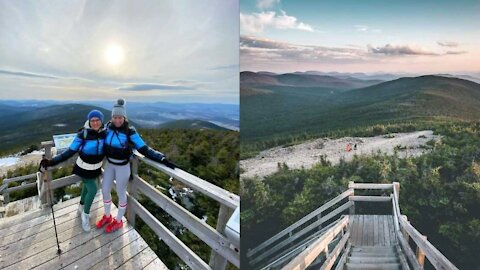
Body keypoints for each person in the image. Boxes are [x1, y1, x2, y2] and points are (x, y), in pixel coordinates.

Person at [96, 99, 175, 233]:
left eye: (120, 117)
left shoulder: (129, 131)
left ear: (124, 117)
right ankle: (108, 216)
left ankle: (119, 221)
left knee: (121, 193)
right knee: (104, 190)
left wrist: (161, 158)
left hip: (122, 166)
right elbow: (96, 140)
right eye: (115, 117)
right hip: (109, 164)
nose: (117, 120)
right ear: (112, 117)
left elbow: (144, 148)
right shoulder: (107, 128)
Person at [40, 110, 106, 232]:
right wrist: (51, 162)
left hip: (96, 168)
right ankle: (85, 215)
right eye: (93, 120)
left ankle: (81, 207)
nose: (95, 123)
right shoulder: (83, 134)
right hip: (84, 168)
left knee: (87, 188)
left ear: (102, 121)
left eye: (97, 120)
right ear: (89, 121)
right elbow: (70, 152)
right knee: (93, 189)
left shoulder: (105, 133)